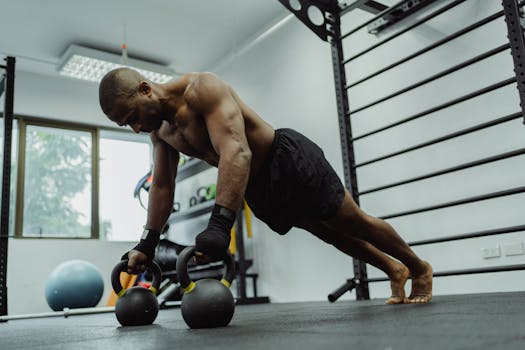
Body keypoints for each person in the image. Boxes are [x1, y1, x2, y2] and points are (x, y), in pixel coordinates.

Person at [98, 67, 433, 304]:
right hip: (257, 187)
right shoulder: (162, 133)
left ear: (145, 89)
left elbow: (236, 150)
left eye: (132, 117)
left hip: (285, 160)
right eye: (126, 124)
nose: (136, 128)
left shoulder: (202, 89)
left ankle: (419, 269)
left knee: (351, 220)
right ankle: (394, 268)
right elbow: (162, 187)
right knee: (329, 233)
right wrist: (147, 244)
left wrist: (219, 225)